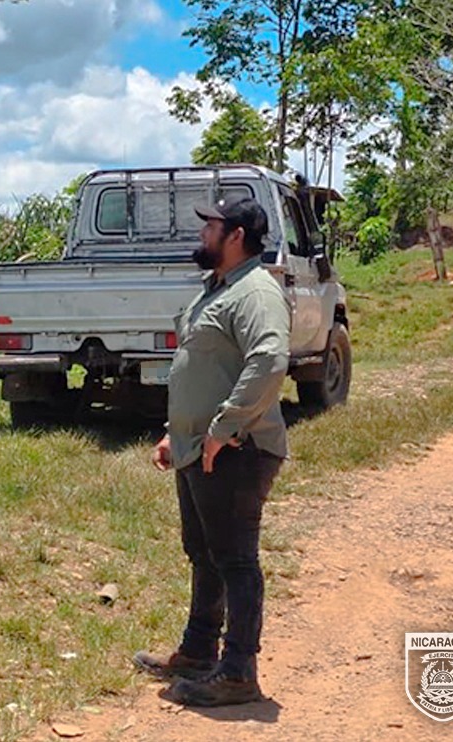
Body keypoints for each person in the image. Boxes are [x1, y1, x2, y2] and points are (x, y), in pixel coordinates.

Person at [133, 197, 290, 706]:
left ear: (237, 235)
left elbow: (269, 361)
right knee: (204, 553)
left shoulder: (256, 291)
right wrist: (174, 433)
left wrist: (224, 427)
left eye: (211, 227)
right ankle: (199, 652)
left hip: (237, 449)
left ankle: (239, 673)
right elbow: (203, 367)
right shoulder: (219, 289)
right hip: (200, 447)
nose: (202, 235)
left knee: (235, 560)